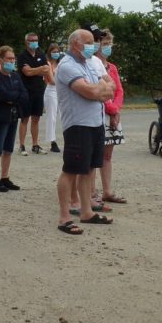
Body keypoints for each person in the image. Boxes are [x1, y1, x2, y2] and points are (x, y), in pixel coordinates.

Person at [55, 29, 116, 236]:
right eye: (89, 42)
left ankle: (86, 211)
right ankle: (64, 217)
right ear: (75, 44)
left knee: (89, 169)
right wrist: (99, 90)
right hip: (77, 125)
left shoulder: (90, 63)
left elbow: (111, 86)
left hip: (95, 122)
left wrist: (100, 89)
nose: (94, 46)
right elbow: (90, 91)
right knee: (71, 170)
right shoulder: (67, 66)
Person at [0, 46, 28, 193]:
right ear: (0, 60)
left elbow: (24, 94)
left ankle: (5, 177)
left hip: (14, 115)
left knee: (8, 149)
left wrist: (13, 98)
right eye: (8, 59)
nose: (11, 61)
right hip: (0, 117)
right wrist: (14, 96)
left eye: (13, 59)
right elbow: (2, 95)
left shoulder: (16, 76)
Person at [98, 30, 127, 205]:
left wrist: (116, 109)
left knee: (107, 156)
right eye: (104, 44)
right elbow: (100, 91)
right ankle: (90, 192)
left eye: (110, 44)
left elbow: (119, 90)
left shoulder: (113, 68)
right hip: (100, 114)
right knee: (94, 155)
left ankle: (107, 191)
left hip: (112, 114)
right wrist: (111, 109)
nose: (108, 47)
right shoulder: (93, 65)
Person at [18, 32, 51, 155]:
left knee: (36, 118)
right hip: (26, 91)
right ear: (26, 42)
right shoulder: (22, 56)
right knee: (25, 118)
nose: (34, 42)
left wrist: (34, 70)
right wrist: (39, 69)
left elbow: (46, 70)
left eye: (36, 40)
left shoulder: (40, 54)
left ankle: (35, 144)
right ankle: (22, 146)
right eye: (31, 40)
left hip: (39, 90)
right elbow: (26, 72)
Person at [42, 43, 64, 153]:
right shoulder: (47, 64)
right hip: (51, 91)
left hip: (62, 91)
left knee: (65, 115)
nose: (56, 53)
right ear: (49, 53)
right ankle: (52, 141)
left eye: (57, 51)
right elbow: (51, 80)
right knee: (52, 117)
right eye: (54, 52)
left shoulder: (62, 63)